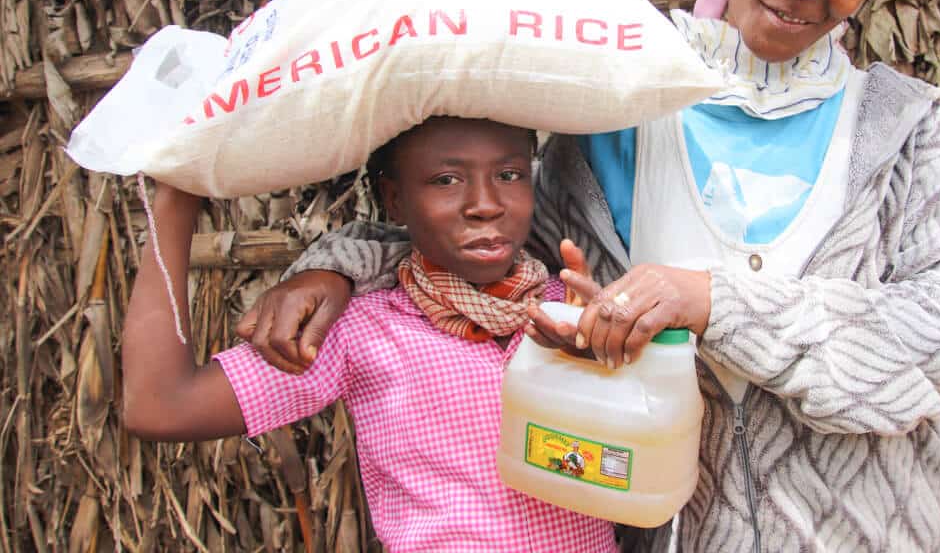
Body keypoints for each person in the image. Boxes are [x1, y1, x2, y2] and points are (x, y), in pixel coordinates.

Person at [242, 0, 940, 552]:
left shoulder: (901, 131)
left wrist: (712, 302)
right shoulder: (618, 108)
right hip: (681, 530)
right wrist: (338, 266)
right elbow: (476, 230)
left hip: (896, 527)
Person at [120, 117, 617, 553]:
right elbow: (160, 406)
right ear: (394, 199)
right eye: (446, 180)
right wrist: (178, 196)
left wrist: (609, 360)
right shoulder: (365, 328)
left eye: (509, 175)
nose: (485, 205)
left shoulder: (574, 308)